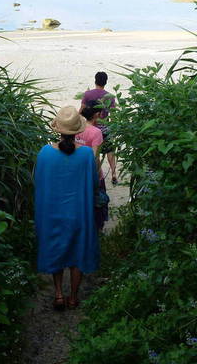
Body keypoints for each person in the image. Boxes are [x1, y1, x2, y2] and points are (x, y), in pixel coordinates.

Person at [35, 106, 100, 310]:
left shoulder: (45, 153)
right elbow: (94, 184)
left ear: (57, 129)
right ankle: (73, 297)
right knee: (77, 253)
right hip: (79, 213)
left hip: (53, 213)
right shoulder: (87, 155)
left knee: (57, 250)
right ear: (78, 130)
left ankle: (58, 295)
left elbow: (38, 182)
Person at [75, 103, 108, 231]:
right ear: (96, 115)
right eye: (100, 113)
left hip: (77, 171)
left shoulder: (77, 127)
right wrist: (97, 176)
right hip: (92, 173)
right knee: (98, 203)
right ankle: (97, 229)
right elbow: (94, 157)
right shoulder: (96, 132)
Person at [80, 71, 118, 184]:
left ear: (95, 80)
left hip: (91, 128)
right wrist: (113, 129)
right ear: (106, 82)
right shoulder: (110, 96)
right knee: (110, 151)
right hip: (105, 129)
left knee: (94, 152)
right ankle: (114, 173)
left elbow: (81, 111)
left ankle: (95, 173)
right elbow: (114, 115)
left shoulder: (87, 94)